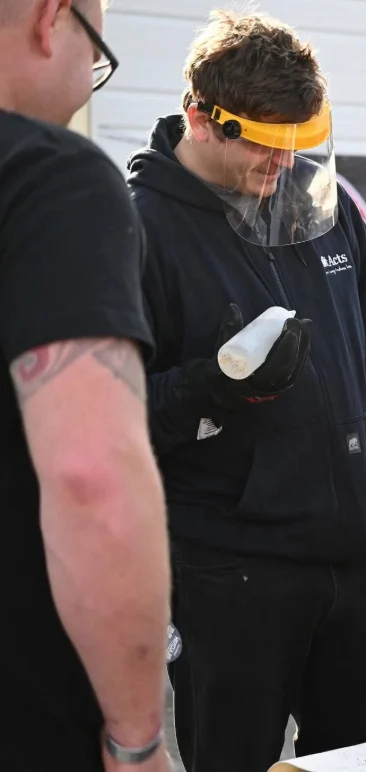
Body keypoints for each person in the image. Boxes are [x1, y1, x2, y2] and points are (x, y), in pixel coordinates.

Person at [126, 9, 366, 769]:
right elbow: (108, 421)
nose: (283, 165)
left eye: (298, 144)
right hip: (227, 572)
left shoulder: (324, 204)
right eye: (264, 143)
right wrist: (209, 387)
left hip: (353, 560)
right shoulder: (137, 231)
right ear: (200, 118)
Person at [0, 0, 171, 770]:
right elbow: (91, 477)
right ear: (49, 19)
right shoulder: (47, 178)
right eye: (94, 51)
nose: (88, 83)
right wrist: (138, 741)